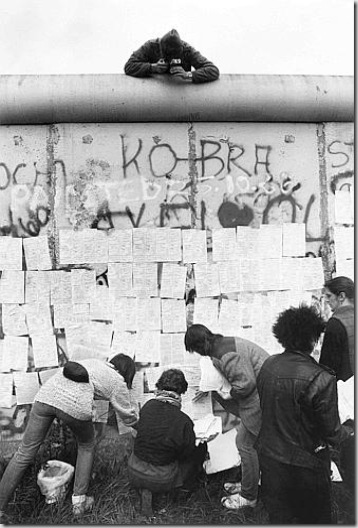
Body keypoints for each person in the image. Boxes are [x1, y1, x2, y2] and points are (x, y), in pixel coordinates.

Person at [0, 354, 138, 518]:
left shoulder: (92, 362)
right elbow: (127, 416)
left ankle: (0, 506)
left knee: (23, 453)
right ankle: (79, 504)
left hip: (45, 398)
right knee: (87, 446)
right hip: (73, 405)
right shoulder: (117, 381)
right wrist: (144, 427)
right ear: (127, 373)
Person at [256, 304, 349, 524]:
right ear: (313, 338)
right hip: (307, 466)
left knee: (280, 517)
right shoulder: (321, 377)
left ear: (283, 336)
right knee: (316, 519)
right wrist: (350, 430)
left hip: (270, 458)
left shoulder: (268, 364)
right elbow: (332, 432)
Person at [184, 324, 269, 510]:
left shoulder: (226, 354)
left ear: (202, 344)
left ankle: (249, 496)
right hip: (262, 394)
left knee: (246, 445)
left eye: (198, 350)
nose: (200, 355)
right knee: (251, 444)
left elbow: (246, 384)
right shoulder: (221, 344)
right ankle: (251, 483)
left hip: (261, 397)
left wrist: (228, 393)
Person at [127, 368, 207, 515]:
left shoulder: (148, 406)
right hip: (161, 478)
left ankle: (146, 488)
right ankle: (179, 491)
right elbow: (186, 454)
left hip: (133, 470)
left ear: (159, 386)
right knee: (199, 450)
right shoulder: (184, 421)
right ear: (182, 391)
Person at [124, 28, 220, 83]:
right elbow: (129, 66)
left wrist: (188, 74)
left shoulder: (187, 51)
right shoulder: (151, 46)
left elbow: (213, 70)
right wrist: (152, 67)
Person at [319, 276, 354, 381]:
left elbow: (327, 366)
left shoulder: (335, 323)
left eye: (329, 296)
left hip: (344, 386)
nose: (327, 301)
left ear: (341, 296)